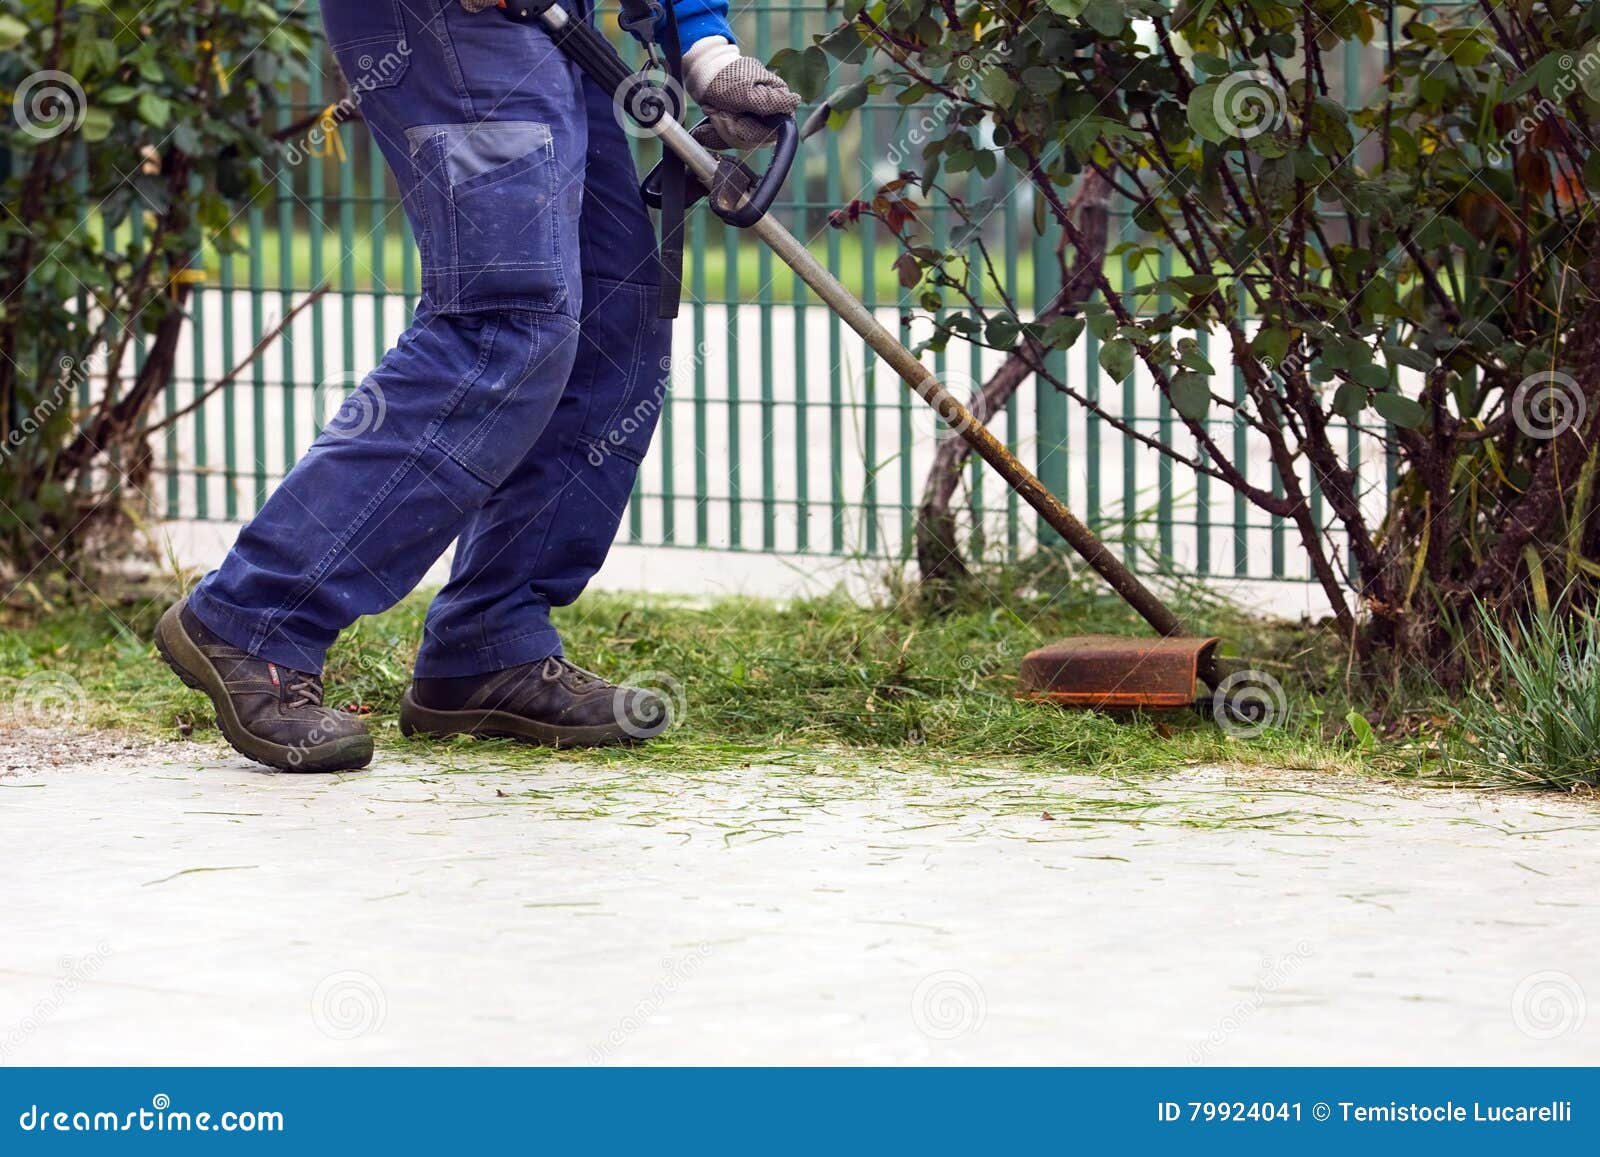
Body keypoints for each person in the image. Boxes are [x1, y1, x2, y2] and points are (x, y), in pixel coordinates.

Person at [153, 0, 799, 772]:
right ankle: (255, 615)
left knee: (611, 322)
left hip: (550, 20)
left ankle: (488, 644)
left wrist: (700, 41)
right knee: (506, 320)